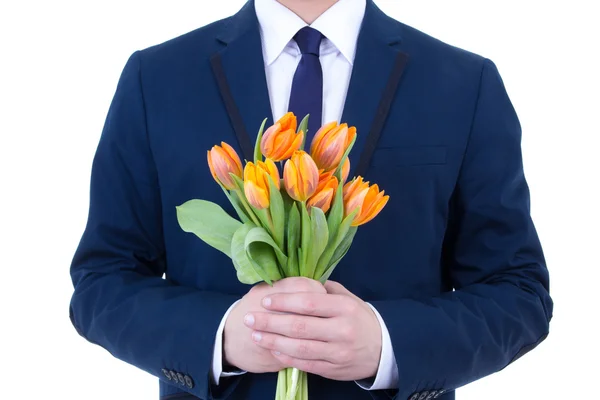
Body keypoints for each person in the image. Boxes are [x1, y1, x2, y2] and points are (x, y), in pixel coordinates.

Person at [68, 0, 553, 399]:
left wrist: (387, 344)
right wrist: (220, 337)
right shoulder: (156, 79)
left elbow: (518, 293)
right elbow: (101, 283)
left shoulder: (464, 84)